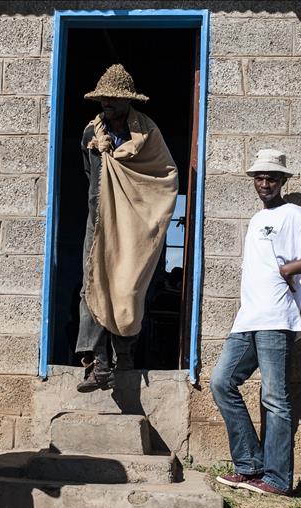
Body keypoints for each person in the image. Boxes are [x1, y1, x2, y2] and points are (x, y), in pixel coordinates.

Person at [210, 149, 301, 496]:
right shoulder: (256, 220)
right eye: (259, 177)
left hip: (275, 317)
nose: (264, 183)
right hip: (247, 319)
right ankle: (250, 466)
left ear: (283, 181)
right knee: (221, 383)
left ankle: (278, 479)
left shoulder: (292, 214)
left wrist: (288, 269)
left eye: (271, 177)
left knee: (275, 399)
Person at [75, 63, 179, 392]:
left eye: (114, 99)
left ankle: (124, 354)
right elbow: (90, 176)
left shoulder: (147, 134)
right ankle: (98, 364)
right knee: (93, 285)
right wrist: (106, 200)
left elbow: (164, 177)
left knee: (128, 288)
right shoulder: (92, 134)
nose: (107, 104)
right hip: (100, 220)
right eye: (103, 99)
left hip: (134, 225)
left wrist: (138, 209)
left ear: (128, 102)